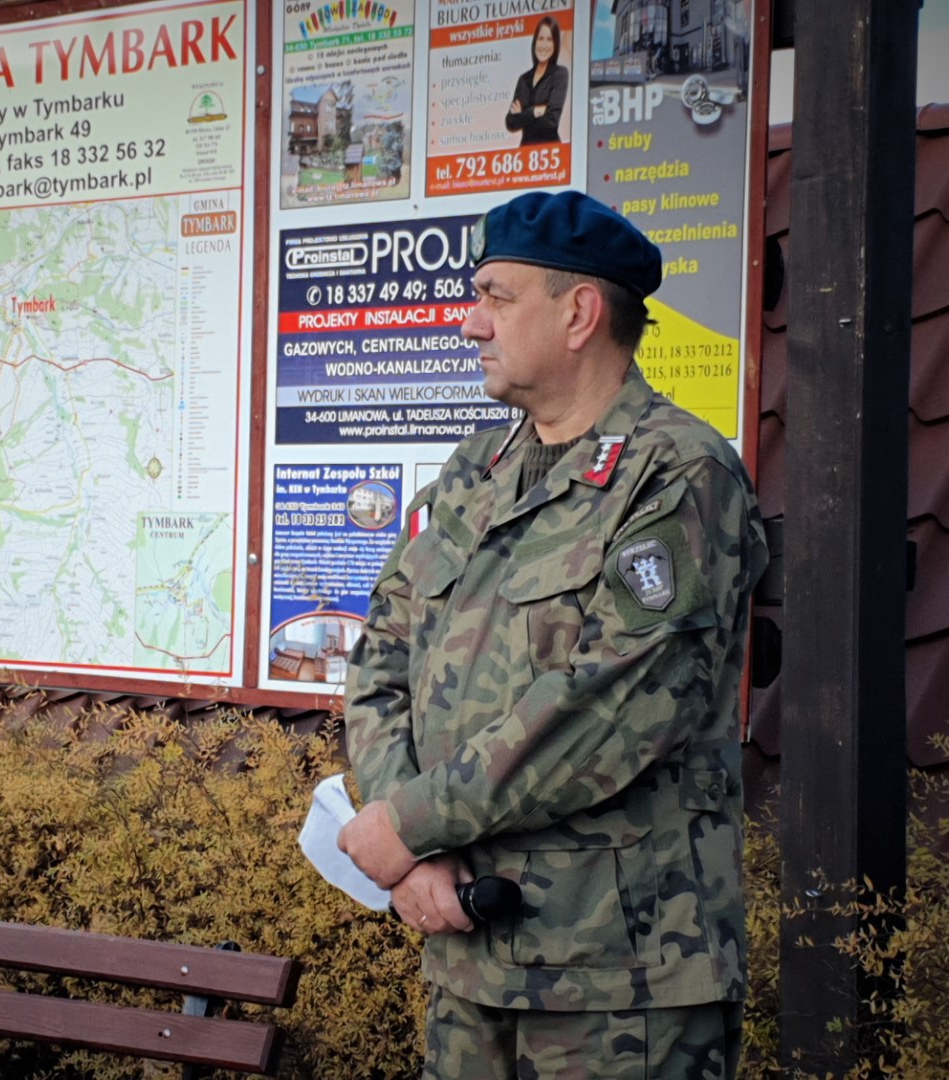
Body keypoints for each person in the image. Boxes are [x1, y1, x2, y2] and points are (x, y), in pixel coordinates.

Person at [337, 190, 768, 1079]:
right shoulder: (474, 471)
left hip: (619, 976)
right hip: (467, 947)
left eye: (494, 297)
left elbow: (614, 708)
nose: (469, 323)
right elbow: (381, 658)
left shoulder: (678, 475)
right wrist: (410, 851)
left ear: (578, 313)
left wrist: (408, 824)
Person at [505, 16, 568, 145]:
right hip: (526, 152)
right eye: (541, 38)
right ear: (535, 42)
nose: (544, 45)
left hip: (550, 151)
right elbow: (510, 122)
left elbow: (551, 121)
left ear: (555, 44)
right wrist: (534, 111)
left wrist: (522, 116)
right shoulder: (524, 79)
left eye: (549, 39)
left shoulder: (559, 74)